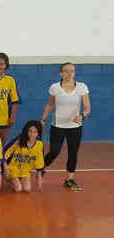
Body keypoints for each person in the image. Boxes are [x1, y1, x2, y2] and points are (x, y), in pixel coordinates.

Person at [41, 63, 91, 191]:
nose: (69, 73)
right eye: (66, 71)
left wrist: (82, 116)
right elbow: (49, 105)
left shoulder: (82, 87)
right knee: (54, 151)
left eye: (72, 71)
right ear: (61, 73)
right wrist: (43, 120)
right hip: (58, 125)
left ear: (75, 73)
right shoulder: (55, 88)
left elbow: (87, 107)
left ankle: (69, 179)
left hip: (75, 126)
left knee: (73, 152)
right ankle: (40, 168)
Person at [3, 120, 45, 193]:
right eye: (30, 131)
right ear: (26, 131)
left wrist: (39, 177)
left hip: (25, 170)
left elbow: (39, 161)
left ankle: (18, 179)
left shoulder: (39, 144)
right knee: (18, 189)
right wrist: (5, 169)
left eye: (35, 132)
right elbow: (4, 153)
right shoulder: (19, 140)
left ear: (38, 133)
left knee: (27, 189)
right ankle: (8, 179)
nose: (32, 134)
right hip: (12, 168)